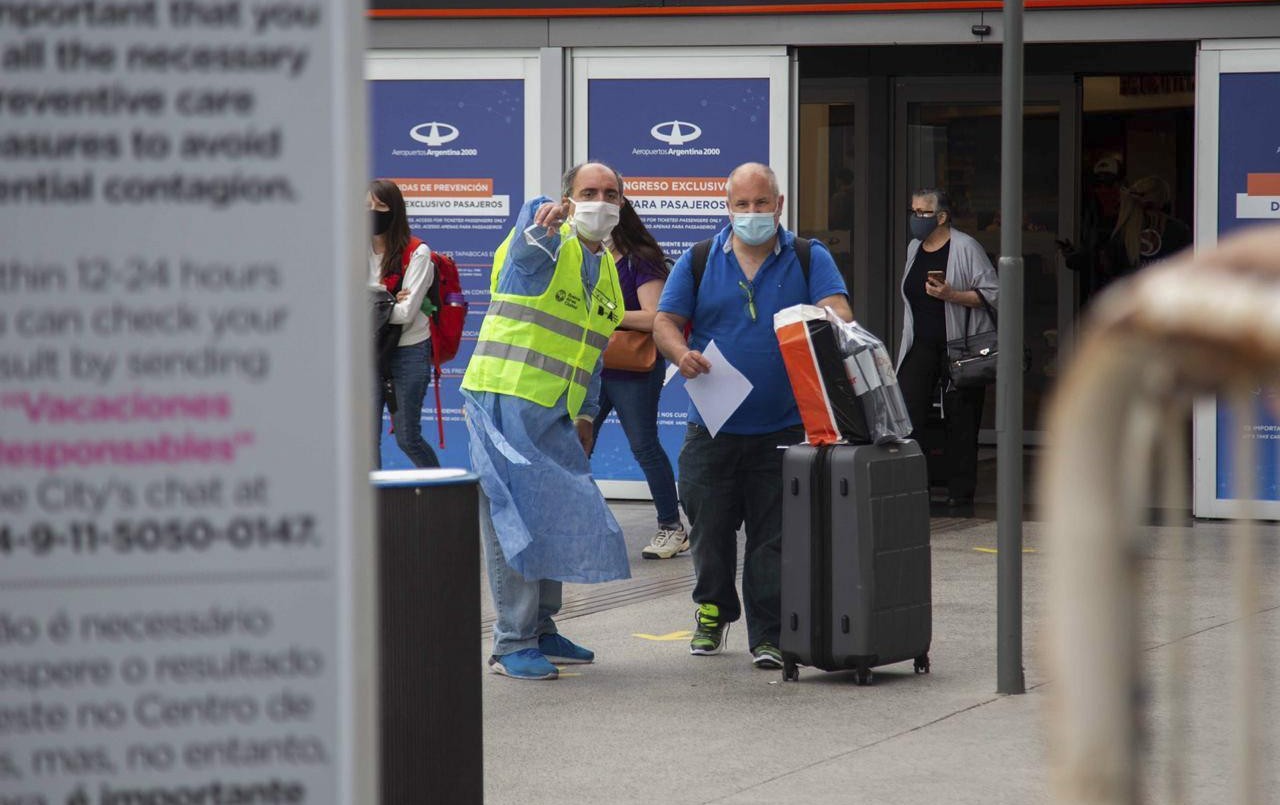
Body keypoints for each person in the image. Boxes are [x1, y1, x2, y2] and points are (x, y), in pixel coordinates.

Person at [653, 162, 852, 669]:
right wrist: (679, 354)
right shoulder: (698, 259)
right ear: (728, 207)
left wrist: (819, 320)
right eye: (741, 205)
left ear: (779, 205)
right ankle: (714, 612)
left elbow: (840, 313)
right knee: (708, 528)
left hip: (785, 426)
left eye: (761, 203)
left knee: (773, 538)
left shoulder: (809, 256)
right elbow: (665, 322)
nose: (752, 214)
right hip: (712, 426)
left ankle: (767, 633)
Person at [461, 161, 630, 681]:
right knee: (512, 519)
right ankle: (512, 641)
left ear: (621, 205)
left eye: (609, 193)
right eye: (588, 191)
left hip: (555, 413)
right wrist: (538, 228)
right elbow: (525, 256)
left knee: (553, 515)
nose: (599, 201)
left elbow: (592, 352)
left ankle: (541, 626)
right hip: (503, 400)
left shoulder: (605, 272)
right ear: (568, 198)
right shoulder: (546, 243)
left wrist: (585, 413)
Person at [591, 198, 688, 559]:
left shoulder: (641, 258)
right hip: (593, 366)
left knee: (643, 445)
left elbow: (655, 317)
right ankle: (578, 522)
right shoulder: (590, 257)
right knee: (576, 445)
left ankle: (672, 527)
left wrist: (606, 316)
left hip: (633, 368)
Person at [894, 188, 999, 511]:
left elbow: (995, 294)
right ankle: (914, 488)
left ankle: (960, 494)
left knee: (962, 421)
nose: (916, 219)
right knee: (909, 417)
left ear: (941, 217)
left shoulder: (966, 247)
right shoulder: (914, 248)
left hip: (960, 348)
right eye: (913, 211)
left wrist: (953, 295)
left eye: (923, 213)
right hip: (920, 345)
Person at [367, 179, 440, 469]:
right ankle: (372, 509)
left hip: (409, 350)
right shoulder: (352, 251)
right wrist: (387, 302)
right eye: (366, 206)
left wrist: (372, 302)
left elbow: (406, 313)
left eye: (380, 206)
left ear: (395, 210)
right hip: (368, 353)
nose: (372, 212)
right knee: (365, 440)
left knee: (407, 437)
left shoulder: (418, 252)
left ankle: (441, 495)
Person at [1096, 175, 1192, 282]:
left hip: (1131, 296)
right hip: (1169, 294)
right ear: (1165, 200)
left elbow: (1109, 268)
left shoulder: (1120, 231)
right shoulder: (1178, 230)